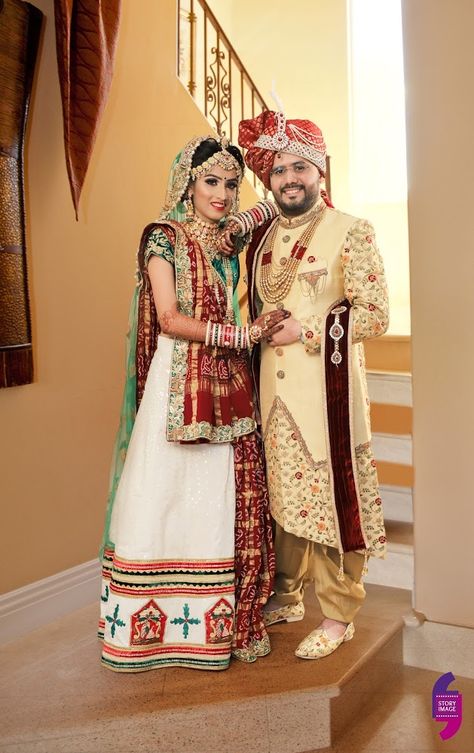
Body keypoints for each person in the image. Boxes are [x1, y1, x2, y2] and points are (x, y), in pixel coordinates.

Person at [98, 135, 287, 671]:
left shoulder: (225, 241)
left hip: (226, 381)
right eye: (211, 181)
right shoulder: (164, 236)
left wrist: (250, 212)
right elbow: (168, 319)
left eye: (231, 183)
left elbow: (272, 206)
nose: (223, 193)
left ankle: (222, 623)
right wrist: (243, 336)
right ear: (187, 183)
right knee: (169, 489)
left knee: (223, 490)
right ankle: (155, 632)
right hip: (177, 381)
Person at [223, 110, 389, 660]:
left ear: (320, 174)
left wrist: (309, 329)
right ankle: (288, 594)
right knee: (282, 497)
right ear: (268, 180)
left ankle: (339, 615)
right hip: (272, 395)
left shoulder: (352, 230)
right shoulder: (265, 238)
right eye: (280, 170)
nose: (290, 178)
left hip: (327, 398)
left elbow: (374, 315)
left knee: (328, 500)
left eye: (302, 167)